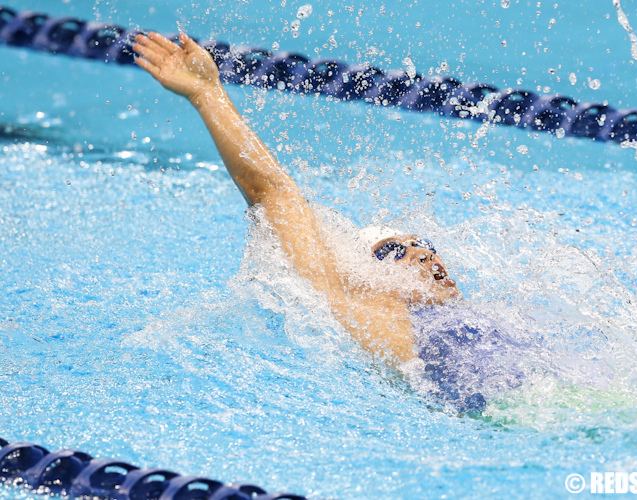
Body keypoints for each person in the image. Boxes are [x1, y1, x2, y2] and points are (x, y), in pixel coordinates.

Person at [133, 32, 521, 412]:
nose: (421, 254)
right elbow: (272, 192)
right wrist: (207, 93)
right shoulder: (381, 320)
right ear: (370, 278)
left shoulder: (498, 315)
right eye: (394, 251)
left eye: (423, 244)